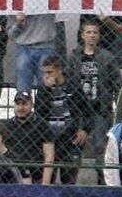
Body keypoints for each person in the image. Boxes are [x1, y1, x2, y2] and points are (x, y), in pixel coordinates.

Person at [66, 18, 122, 180]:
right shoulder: (75, 57)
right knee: (75, 147)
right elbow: (68, 82)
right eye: (88, 32)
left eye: (95, 32)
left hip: (100, 110)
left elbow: (117, 84)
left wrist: (115, 106)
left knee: (100, 147)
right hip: (79, 111)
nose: (91, 35)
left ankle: (102, 182)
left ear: (99, 36)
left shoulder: (107, 57)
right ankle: (70, 181)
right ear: (82, 35)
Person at [34, 55, 90, 185]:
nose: (47, 76)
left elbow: (87, 111)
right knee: (49, 178)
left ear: (59, 70)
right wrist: (47, 90)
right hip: (50, 139)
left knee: (69, 180)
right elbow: (39, 113)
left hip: (70, 139)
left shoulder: (72, 86)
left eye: (50, 72)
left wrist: (84, 130)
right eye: (44, 73)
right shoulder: (43, 89)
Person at [0, 91, 55, 185]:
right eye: (18, 104)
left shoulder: (42, 125)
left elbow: (49, 155)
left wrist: (45, 183)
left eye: (24, 104)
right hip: (13, 174)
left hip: (37, 175)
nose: (20, 108)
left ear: (31, 105)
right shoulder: (7, 125)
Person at [9, 13, 56, 93]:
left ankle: (44, 104)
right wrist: (18, 23)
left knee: (46, 87)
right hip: (24, 47)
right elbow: (11, 34)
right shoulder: (15, 7)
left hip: (46, 46)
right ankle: (23, 102)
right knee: (23, 89)